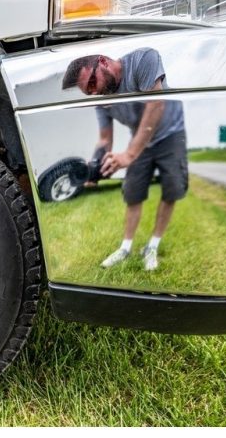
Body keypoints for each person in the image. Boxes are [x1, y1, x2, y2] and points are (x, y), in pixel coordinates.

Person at [61, 48, 187, 271]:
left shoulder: (143, 59)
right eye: (88, 91)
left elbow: (155, 104)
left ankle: (153, 246)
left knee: (171, 190)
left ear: (103, 62)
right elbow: (104, 139)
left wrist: (129, 154)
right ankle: (126, 248)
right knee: (132, 194)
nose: (94, 92)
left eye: (92, 82)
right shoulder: (103, 100)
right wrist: (94, 169)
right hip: (140, 140)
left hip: (170, 133)